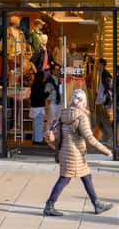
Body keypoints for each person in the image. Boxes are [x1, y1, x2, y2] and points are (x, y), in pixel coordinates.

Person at [43, 89, 113, 217]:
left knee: (86, 176)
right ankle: (49, 205)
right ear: (84, 101)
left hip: (65, 151)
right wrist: (106, 150)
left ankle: (96, 203)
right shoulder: (81, 117)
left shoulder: (62, 113)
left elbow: (57, 132)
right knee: (64, 179)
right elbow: (90, 138)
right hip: (75, 153)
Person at [94, 58, 113, 144]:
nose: (96, 65)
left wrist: (107, 101)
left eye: (97, 63)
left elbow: (109, 89)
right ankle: (105, 137)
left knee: (105, 120)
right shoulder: (100, 73)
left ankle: (110, 138)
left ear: (101, 64)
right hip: (99, 100)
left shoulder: (105, 74)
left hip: (103, 100)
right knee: (100, 120)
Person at [30, 71, 46, 144]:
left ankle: (35, 139)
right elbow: (43, 96)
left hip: (34, 106)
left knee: (35, 124)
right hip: (40, 106)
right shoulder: (42, 85)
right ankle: (38, 140)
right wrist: (48, 93)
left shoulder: (34, 85)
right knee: (40, 124)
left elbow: (32, 96)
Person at [44, 65, 62, 132]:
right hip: (52, 103)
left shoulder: (60, 80)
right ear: (53, 71)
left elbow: (61, 92)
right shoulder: (49, 80)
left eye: (59, 70)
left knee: (58, 120)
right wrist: (48, 104)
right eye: (57, 70)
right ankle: (48, 134)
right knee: (51, 119)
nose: (58, 71)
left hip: (60, 103)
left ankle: (55, 135)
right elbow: (47, 92)